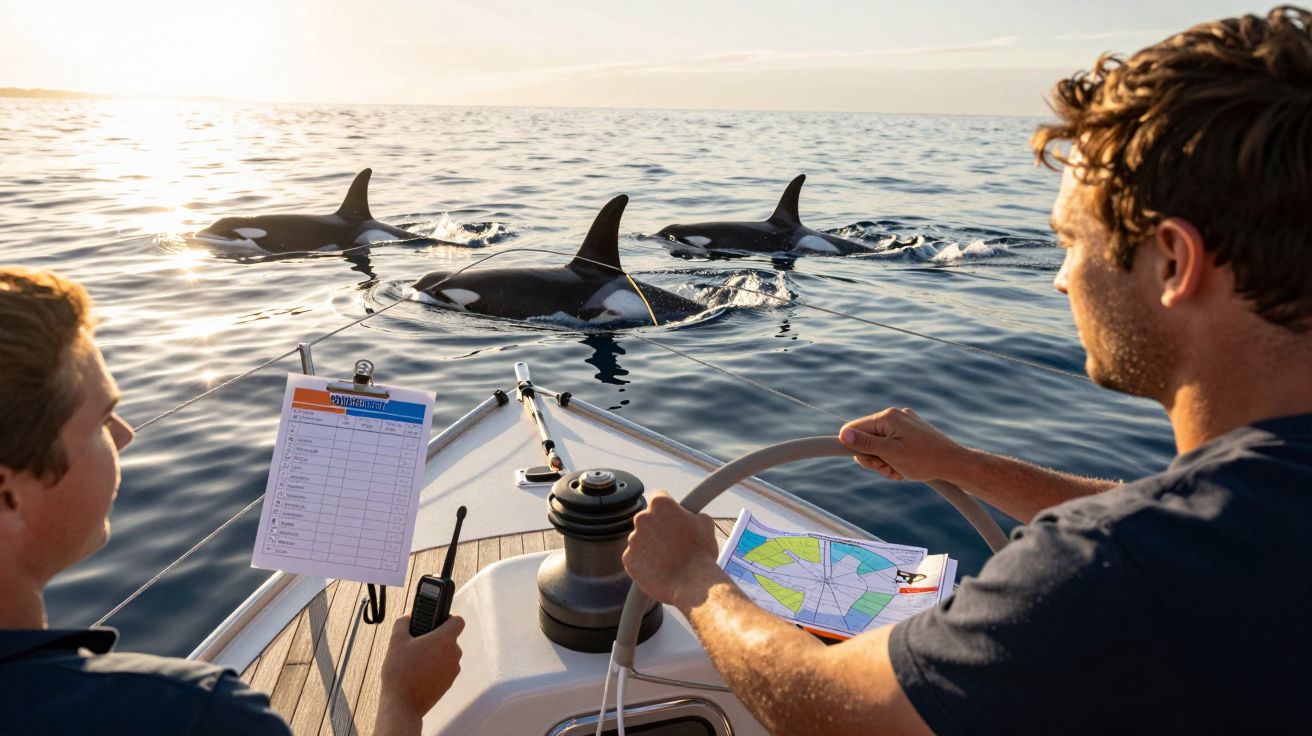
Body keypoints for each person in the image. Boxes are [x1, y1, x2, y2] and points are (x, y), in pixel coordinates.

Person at [623, 6, 1312, 735]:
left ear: (1174, 262)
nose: (1060, 280)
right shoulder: (1237, 523)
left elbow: (826, 706)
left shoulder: (1105, 578)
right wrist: (959, 465)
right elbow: (1193, 520)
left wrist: (694, 579)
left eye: (1072, 243)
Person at [0, 267, 464, 736]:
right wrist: (403, 701)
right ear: (8, 492)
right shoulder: (197, 716)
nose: (124, 435)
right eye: (102, 420)